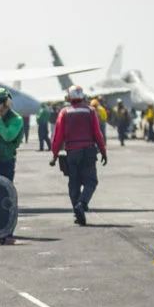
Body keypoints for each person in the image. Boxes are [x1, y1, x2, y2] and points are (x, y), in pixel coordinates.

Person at [49, 84, 107, 224]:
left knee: (73, 183)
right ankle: (82, 203)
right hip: (88, 152)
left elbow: (58, 136)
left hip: (72, 152)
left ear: (69, 97)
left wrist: (55, 155)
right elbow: (97, 134)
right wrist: (103, 151)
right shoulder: (90, 111)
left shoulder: (64, 112)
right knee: (91, 181)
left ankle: (77, 209)